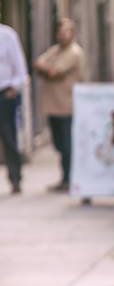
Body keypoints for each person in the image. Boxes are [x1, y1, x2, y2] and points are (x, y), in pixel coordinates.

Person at [34, 18, 87, 191]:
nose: (63, 35)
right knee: (59, 144)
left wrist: (47, 69)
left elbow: (54, 71)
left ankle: (70, 178)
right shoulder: (55, 51)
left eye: (66, 32)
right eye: (60, 32)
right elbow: (38, 63)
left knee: (67, 145)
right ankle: (65, 178)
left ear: (73, 34)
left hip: (67, 106)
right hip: (53, 105)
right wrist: (46, 69)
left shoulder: (74, 53)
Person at [0, 21, 28, 194]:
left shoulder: (7, 35)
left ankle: (15, 177)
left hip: (5, 93)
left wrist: (15, 87)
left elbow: (20, 68)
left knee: (8, 137)